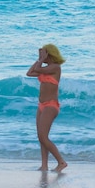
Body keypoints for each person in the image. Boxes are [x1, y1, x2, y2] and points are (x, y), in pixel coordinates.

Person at [26, 44, 68, 172]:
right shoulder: (44, 67)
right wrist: (39, 59)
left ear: (49, 54)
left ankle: (61, 162)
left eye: (44, 53)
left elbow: (38, 69)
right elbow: (29, 73)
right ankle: (44, 165)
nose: (41, 56)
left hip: (51, 105)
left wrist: (40, 60)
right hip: (41, 105)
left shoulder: (55, 68)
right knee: (41, 137)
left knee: (43, 137)